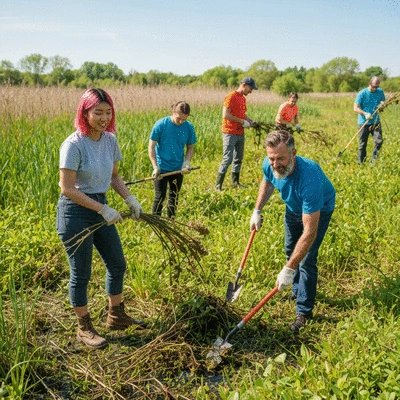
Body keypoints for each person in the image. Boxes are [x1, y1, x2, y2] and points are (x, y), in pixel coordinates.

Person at [57, 88, 146, 349]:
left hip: (99, 206)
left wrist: (130, 199)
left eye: (108, 112)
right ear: (85, 113)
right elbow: (68, 189)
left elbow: (115, 176)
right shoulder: (73, 144)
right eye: (98, 112)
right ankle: (83, 328)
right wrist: (102, 209)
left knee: (117, 263)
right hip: (75, 212)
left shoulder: (110, 140)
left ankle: (115, 316)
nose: (104, 117)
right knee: (81, 273)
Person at [250, 130, 335, 333]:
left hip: (319, 209)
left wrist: (288, 269)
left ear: (293, 153)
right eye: (271, 158)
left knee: (306, 258)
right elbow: (268, 181)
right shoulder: (269, 163)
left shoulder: (310, 178)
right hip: (293, 206)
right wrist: (257, 210)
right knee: (290, 248)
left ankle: (304, 311)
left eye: (281, 158)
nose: (275, 163)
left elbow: (310, 232)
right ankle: (297, 290)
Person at [148, 101, 197, 218]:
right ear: (173, 112)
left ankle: (171, 222)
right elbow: (151, 146)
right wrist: (155, 166)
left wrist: (186, 162)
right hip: (161, 168)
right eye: (179, 118)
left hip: (178, 168)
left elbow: (190, 147)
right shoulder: (161, 125)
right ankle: (156, 222)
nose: (181, 122)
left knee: (174, 196)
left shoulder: (189, 127)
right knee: (159, 196)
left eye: (184, 119)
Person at [215, 77, 258, 191]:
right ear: (244, 85)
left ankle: (235, 182)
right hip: (229, 132)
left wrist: (250, 121)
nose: (251, 91)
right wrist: (241, 121)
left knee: (238, 158)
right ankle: (218, 186)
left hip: (240, 132)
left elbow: (243, 114)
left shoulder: (243, 99)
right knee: (227, 158)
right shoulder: (231, 96)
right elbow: (226, 115)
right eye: (250, 88)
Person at [354, 76, 386, 163]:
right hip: (364, 122)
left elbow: (383, 100)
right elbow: (355, 108)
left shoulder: (380, 91)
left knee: (379, 141)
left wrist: (382, 104)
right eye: (374, 86)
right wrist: (365, 114)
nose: (375, 88)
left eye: (377, 87)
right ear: (370, 84)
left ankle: (373, 161)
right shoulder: (362, 93)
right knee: (362, 144)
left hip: (376, 122)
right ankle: (361, 163)